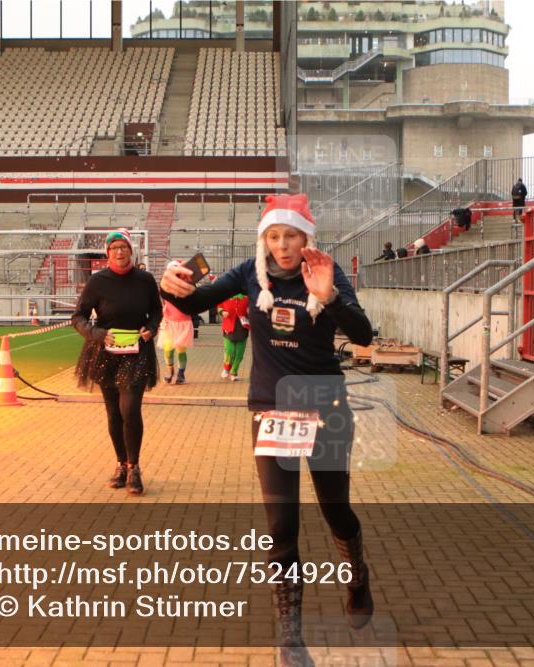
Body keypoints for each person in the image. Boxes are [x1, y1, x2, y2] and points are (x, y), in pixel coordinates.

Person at [160, 194, 374, 667]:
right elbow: (194, 300)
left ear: (305, 238)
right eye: (274, 236)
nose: (282, 246)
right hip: (271, 410)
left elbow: (363, 336)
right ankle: (290, 639)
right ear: (265, 239)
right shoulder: (246, 273)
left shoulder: (326, 272)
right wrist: (170, 285)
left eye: (291, 236)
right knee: (281, 526)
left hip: (323, 406)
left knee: (336, 510)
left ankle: (357, 575)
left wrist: (330, 298)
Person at [72, 229, 161, 496]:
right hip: (105, 353)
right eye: (114, 248)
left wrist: (151, 327)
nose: (120, 252)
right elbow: (78, 316)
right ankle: (121, 464)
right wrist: (97, 334)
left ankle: (135, 467)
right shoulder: (97, 281)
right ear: (107, 253)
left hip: (136, 352)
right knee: (113, 412)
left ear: (131, 251)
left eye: (124, 247)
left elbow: (156, 310)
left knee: (130, 408)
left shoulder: (145, 279)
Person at [158, 260, 195, 384]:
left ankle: (181, 374)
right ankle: (170, 371)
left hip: (183, 323)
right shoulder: (164, 286)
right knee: (168, 350)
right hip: (169, 322)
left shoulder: (187, 286)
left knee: (181, 351)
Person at [218, 293, 249, 381]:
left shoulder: (247, 298)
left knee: (239, 352)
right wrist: (222, 312)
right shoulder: (225, 296)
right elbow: (219, 306)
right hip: (228, 327)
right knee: (230, 350)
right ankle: (226, 368)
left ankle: (234, 371)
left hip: (242, 328)